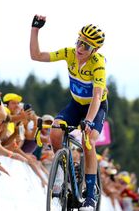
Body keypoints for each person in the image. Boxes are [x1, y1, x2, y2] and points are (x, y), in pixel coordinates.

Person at [30, 15, 108, 210]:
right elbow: (36, 56)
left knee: (87, 141)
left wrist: (89, 121)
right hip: (75, 104)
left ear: (95, 50)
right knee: (55, 132)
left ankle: (90, 196)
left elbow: (97, 97)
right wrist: (35, 30)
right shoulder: (69, 53)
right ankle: (62, 173)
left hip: (95, 107)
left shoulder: (98, 64)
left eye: (87, 46)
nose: (80, 48)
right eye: (79, 42)